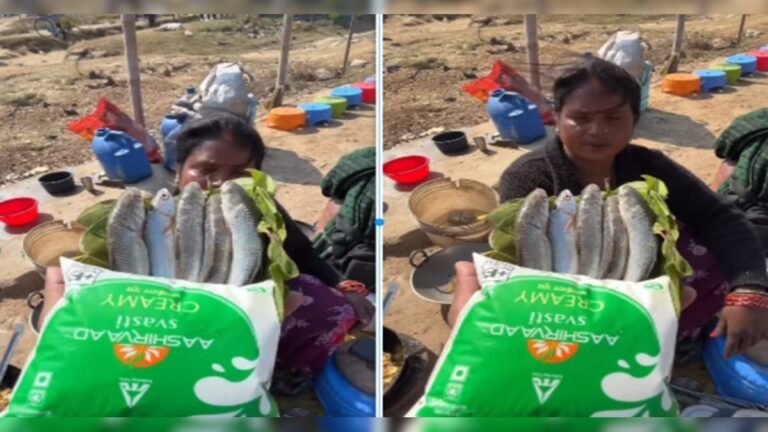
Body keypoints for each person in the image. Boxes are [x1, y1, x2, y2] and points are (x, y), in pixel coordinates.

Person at [452, 57, 768, 360]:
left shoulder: (649, 165)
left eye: (614, 118)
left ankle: (683, 333)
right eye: (581, 118)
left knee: (713, 248)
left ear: (635, 121)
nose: (597, 130)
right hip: (563, 304)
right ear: (557, 118)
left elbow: (718, 216)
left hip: (641, 282)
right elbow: (525, 261)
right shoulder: (527, 178)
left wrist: (750, 291)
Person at [41, 112, 374, 376]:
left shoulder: (260, 210)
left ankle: (284, 372)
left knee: (334, 308)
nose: (220, 182)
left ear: (257, 174)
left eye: (240, 172)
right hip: (167, 323)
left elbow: (302, 253)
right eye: (206, 169)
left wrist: (345, 286)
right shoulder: (153, 218)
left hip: (247, 310)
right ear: (179, 170)